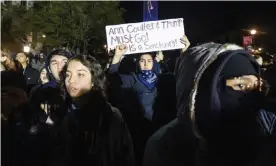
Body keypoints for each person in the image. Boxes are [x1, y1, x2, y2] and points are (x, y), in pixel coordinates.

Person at [143, 43, 276, 166]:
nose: (253, 97)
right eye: (240, 85)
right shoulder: (165, 146)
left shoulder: (269, 127)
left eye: (258, 87)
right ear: (204, 91)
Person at [61, 55, 135, 166]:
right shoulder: (61, 112)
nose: (71, 80)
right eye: (68, 75)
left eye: (80, 74)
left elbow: (123, 156)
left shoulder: (110, 115)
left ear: (94, 80)